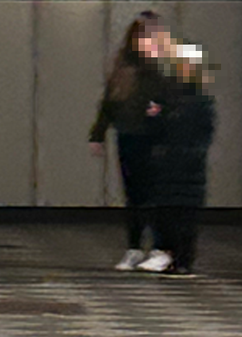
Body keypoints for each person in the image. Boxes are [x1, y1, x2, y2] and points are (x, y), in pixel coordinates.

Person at [91, 11, 173, 273]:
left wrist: (161, 113)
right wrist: (98, 133)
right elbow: (109, 103)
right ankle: (135, 248)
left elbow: (172, 103)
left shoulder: (162, 70)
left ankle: (159, 248)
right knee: (134, 195)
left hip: (155, 139)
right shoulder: (124, 69)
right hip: (129, 136)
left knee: (155, 195)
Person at [146, 36, 217, 278]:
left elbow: (205, 130)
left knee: (183, 214)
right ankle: (171, 256)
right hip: (171, 163)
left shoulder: (198, 99)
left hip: (185, 164)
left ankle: (182, 258)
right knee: (167, 213)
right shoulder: (170, 95)